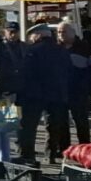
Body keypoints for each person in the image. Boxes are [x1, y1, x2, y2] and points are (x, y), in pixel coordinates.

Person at [18, 23, 71, 163]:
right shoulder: (62, 50)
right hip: (57, 93)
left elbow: (26, 73)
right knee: (53, 126)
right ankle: (51, 154)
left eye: (32, 36)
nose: (31, 39)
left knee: (29, 126)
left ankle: (28, 155)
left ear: (38, 35)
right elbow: (68, 71)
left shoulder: (32, 50)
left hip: (34, 94)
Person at [59, 20, 91, 144]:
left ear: (73, 32)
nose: (61, 34)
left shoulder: (85, 48)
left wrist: (85, 84)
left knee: (81, 121)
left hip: (79, 91)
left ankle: (84, 146)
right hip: (60, 91)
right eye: (59, 32)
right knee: (61, 122)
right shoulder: (55, 48)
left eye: (64, 32)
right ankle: (64, 148)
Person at [0, 21, 23, 106]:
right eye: (10, 32)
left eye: (15, 32)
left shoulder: (24, 47)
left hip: (17, 90)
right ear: (5, 31)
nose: (13, 35)